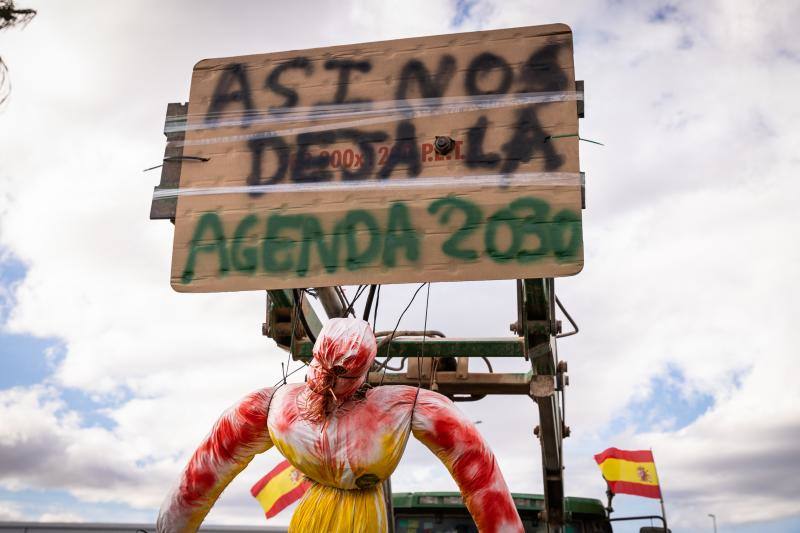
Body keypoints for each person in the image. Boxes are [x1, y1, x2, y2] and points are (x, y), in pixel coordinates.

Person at [157, 318, 524, 532]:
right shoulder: (270, 406)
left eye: (341, 373)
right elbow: (480, 474)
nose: (330, 382)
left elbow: (200, 476)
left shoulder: (271, 406)